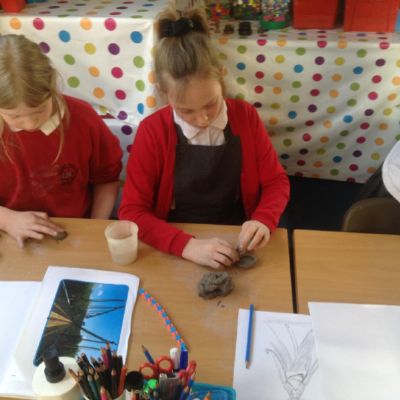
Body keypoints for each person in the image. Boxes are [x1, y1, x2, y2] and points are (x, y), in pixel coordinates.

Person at [119, 7, 289, 269]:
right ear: (164, 93)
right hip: (175, 235)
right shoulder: (152, 131)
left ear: (221, 78)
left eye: (211, 104)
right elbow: (132, 211)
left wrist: (263, 219)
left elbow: (276, 182)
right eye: (186, 111)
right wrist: (186, 245)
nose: (202, 119)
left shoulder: (245, 116)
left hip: (237, 231)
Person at [0, 34, 123, 247]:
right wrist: (7, 219)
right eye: (15, 116)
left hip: (76, 232)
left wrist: (95, 225)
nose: (29, 124)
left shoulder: (83, 119)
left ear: (52, 87)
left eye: (39, 111)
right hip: (9, 236)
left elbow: (107, 178)